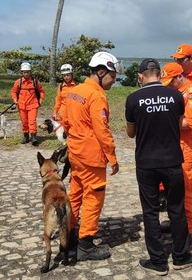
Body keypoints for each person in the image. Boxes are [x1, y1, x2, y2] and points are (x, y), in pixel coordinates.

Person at [125, 58, 192, 276]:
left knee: (150, 212)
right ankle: (181, 257)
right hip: (172, 161)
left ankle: (158, 261)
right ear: (158, 73)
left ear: (140, 76)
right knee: (176, 210)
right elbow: (179, 124)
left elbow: (131, 133)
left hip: (146, 163)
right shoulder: (176, 96)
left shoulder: (133, 99)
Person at [63, 51, 120, 261]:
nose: (113, 81)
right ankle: (86, 243)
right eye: (112, 77)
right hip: (91, 156)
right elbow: (101, 130)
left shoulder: (73, 91)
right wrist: (112, 158)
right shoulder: (96, 96)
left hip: (75, 153)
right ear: (101, 71)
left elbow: (65, 120)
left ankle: (67, 236)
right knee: (93, 198)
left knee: (75, 196)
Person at [160, 62, 192, 234]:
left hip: (185, 148)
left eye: (171, 81)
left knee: (184, 189)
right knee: (172, 189)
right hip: (173, 145)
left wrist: (166, 120)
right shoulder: (176, 92)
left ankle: (187, 227)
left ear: (179, 76)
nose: (169, 85)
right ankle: (175, 222)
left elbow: (190, 122)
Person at [11, 62, 45, 145]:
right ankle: (26, 136)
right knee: (24, 122)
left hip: (33, 105)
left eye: (27, 72)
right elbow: (14, 92)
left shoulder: (35, 82)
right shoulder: (18, 82)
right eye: (24, 72)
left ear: (30, 72)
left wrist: (40, 101)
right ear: (22, 73)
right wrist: (15, 100)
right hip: (21, 105)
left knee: (32, 121)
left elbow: (41, 91)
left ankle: (33, 137)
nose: (26, 74)